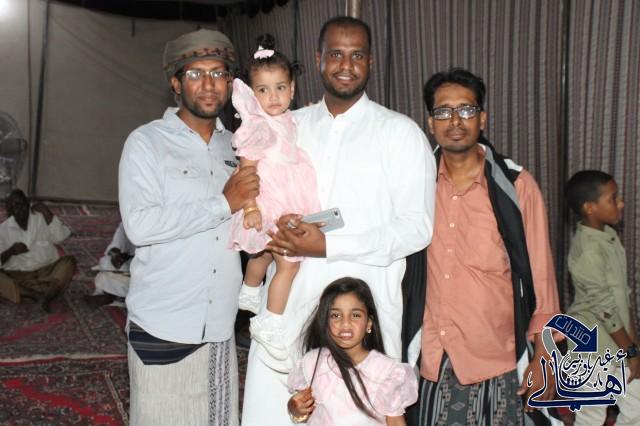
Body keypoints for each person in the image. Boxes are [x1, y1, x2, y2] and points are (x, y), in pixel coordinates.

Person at [242, 16, 436, 425]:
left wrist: (327, 245)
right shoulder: (288, 125)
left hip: (359, 330)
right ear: (318, 59)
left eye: (357, 55)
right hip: (288, 311)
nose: (346, 65)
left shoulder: (400, 133)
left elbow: (416, 228)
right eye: (335, 54)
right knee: (272, 414)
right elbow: (257, 192)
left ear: (371, 62)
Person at [118, 29, 259, 425]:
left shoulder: (240, 148)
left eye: (218, 73)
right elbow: (139, 226)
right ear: (176, 83)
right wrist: (222, 203)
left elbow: (249, 225)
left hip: (219, 328)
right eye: (196, 74)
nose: (209, 84)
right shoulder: (146, 143)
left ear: (230, 83)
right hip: (163, 325)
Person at [412, 68, 561, 425]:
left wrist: (546, 357)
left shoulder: (515, 185)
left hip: (498, 360)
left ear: (482, 118)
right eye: (443, 111)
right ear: (430, 123)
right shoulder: (414, 182)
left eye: (466, 109)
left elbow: (542, 278)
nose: (455, 121)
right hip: (432, 357)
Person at [228, 34, 321, 361]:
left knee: (264, 252)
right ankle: (269, 323)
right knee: (289, 263)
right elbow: (246, 170)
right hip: (269, 200)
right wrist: (250, 207)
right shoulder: (257, 126)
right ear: (253, 95)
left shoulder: (288, 119)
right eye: (264, 90)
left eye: (280, 88)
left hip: (287, 196)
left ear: (292, 89)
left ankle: (250, 291)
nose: (273, 97)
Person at [287, 277, 418, 425]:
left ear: (369, 323)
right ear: (325, 322)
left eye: (355, 315)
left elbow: (395, 422)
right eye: (335, 316)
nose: (345, 323)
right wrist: (295, 408)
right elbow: (303, 410)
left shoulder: (385, 371)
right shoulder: (313, 363)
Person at [565, 170, 640, 425]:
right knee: (591, 416)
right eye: (613, 198)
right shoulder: (587, 250)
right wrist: (630, 350)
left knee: (636, 408)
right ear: (590, 208)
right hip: (591, 348)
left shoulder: (608, 235)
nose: (621, 203)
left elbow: (622, 296)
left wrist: (633, 344)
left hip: (618, 343)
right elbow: (604, 308)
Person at [0, 189, 76, 313]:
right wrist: (10, 251)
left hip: (48, 273)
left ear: (28, 203)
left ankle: (45, 296)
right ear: (9, 211)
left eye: (22, 204)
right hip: (21, 278)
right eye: (15, 206)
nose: (20, 208)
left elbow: (60, 237)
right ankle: (36, 296)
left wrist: (48, 213)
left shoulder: (41, 218)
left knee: (69, 262)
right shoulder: (3, 230)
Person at [84, 222, 134, 307]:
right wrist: (115, 253)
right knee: (106, 263)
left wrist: (129, 257)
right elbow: (119, 235)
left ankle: (113, 296)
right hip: (126, 263)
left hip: (145, 267)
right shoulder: (129, 219)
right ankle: (114, 295)